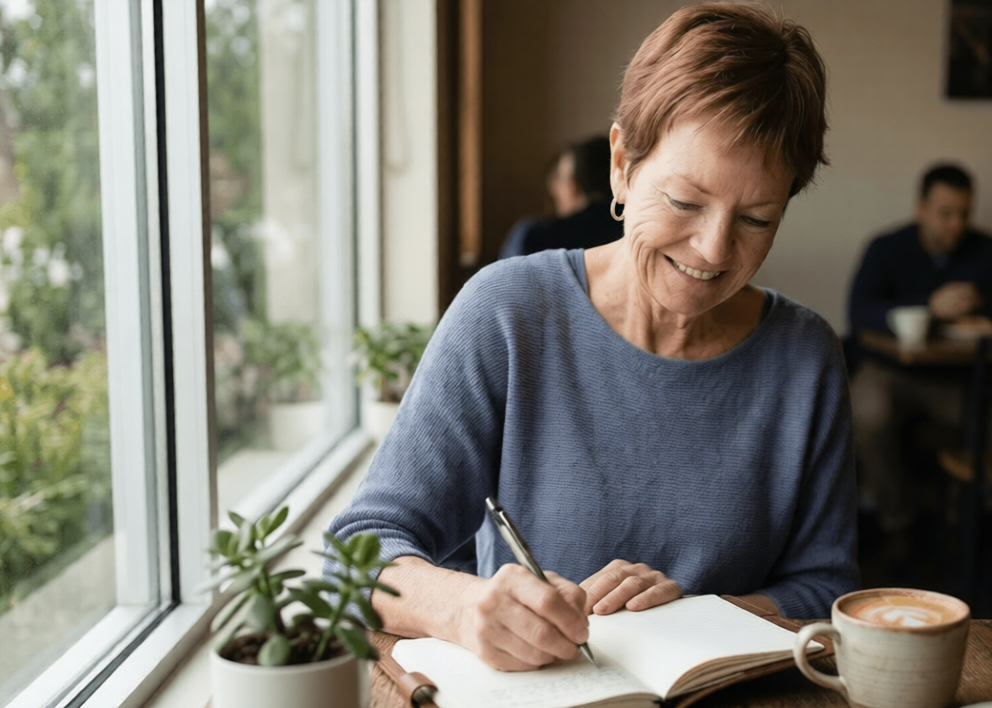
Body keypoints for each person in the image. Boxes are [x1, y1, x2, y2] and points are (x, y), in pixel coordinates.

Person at [326, 3, 858, 672]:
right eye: (686, 202)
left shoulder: (805, 356)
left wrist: (700, 614)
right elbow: (358, 552)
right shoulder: (507, 314)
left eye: (756, 219)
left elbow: (828, 589)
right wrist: (463, 607)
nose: (713, 249)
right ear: (621, 166)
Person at [845, 163, 992, 546]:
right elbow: (858, 314)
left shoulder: (986, 249)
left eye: (964, 214)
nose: (956, 225)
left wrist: (981, 302)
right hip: (890, 371)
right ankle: (898, 525)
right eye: (945, 214)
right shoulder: (887, 248)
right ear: (921, 209)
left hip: (958, 378)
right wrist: (928, 307)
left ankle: (959, 526)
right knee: (866, 414)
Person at [497, 135, 624, 260]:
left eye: (560, 177)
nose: (553, 187)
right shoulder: (632, 233)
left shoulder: (533, 237)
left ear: (572, 186)